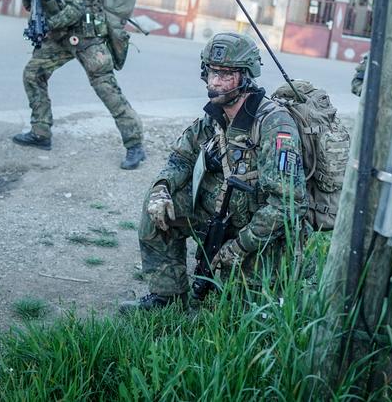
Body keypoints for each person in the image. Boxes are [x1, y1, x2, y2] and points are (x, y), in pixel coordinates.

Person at [120, 32, 307, 311]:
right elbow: (180, 158)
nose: (216, 81)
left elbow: (287, 203)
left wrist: (239, 246)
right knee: (156, 208)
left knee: (248, 315)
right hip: (216, 214)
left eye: (226, 74)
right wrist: (162, 188)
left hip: (259, 232)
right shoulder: (215, 116)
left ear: (246, 76)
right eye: (211, 72)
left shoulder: (274, 125)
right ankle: (167, 297)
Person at [10, 0, 145, 170]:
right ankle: (41, 131)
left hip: (87, 37)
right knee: (33, 73)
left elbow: (76, 7)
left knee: (106, 88)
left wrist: (49, 25)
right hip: (62, 37)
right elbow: (38, 3)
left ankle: (135, 144)